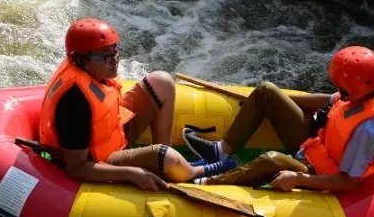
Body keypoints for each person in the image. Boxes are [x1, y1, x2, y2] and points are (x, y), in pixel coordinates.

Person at [38, 20, 237, 192]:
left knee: (162, 82)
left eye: (115, 51)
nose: (114, 60)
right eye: (105, 56)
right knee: (164, 156)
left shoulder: (92, 73)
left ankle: (167, 167)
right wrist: (131, 173)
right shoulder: (75, 102)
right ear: (82, 60)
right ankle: (193, 172)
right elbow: (77, 167)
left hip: (114, 135)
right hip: (100, 159)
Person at [184, 45, 374, 192]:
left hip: (320, 171)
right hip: (316, 143)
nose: (337, 88)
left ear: (355, 89)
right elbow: (328, 101)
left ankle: (205, 181)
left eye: (341, 87)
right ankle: (220, 152)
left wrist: (297, 178)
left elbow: (348, 182)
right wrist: (280, 100)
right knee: (266, 91)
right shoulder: (363, 89)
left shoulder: (367, 130)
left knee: (271, 160)